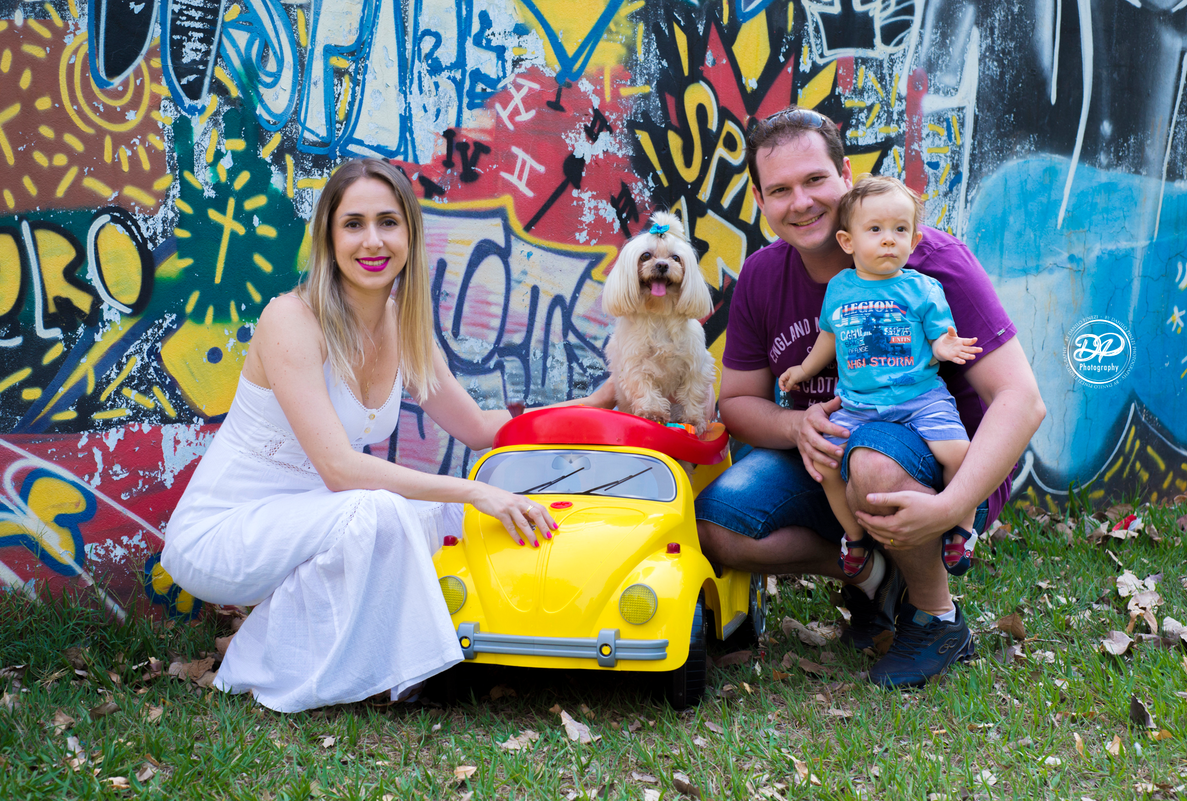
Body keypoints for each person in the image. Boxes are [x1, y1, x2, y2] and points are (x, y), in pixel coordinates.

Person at [161, 158, 596, 712]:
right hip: (223, 535)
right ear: (329, 237)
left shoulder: (401, 324)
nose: (373, 240)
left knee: (447, 516)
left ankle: (497, 641)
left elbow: (480, 428)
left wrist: (600, 403)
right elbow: (340, 470)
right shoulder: (290, 319)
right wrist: (476, 489)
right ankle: (266, 662)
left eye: (388, 222)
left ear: (410, 234)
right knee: (383, 511)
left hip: (313, 522)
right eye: (353, 224)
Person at [695, 107, 1045, 688]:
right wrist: (796, 427)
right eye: (779, 190)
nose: (801, 202)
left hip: (940, 459)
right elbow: (735, 402)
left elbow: (1021, 399)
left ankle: (935, 618)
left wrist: (952, 506)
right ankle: (876, 577)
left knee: (874, 462)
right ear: (759, 200)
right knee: (719, 524)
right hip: (830, 455)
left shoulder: (931, 265)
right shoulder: (762, 274)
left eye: (815, 180)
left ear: (846, 176)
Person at [777, 175, 983, 580]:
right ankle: (854, 538)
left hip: (920, 398)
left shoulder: (923, 288)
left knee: (960, 455)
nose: (889, 239)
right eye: (875, 230)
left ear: (915, 240)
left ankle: (961, 529)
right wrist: (804, 369)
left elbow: (940, 334)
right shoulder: (840, 288)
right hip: (858, 405)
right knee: (826, 462)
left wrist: (945, 347)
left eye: (900, 230)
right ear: (847, 241)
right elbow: (828, 336)